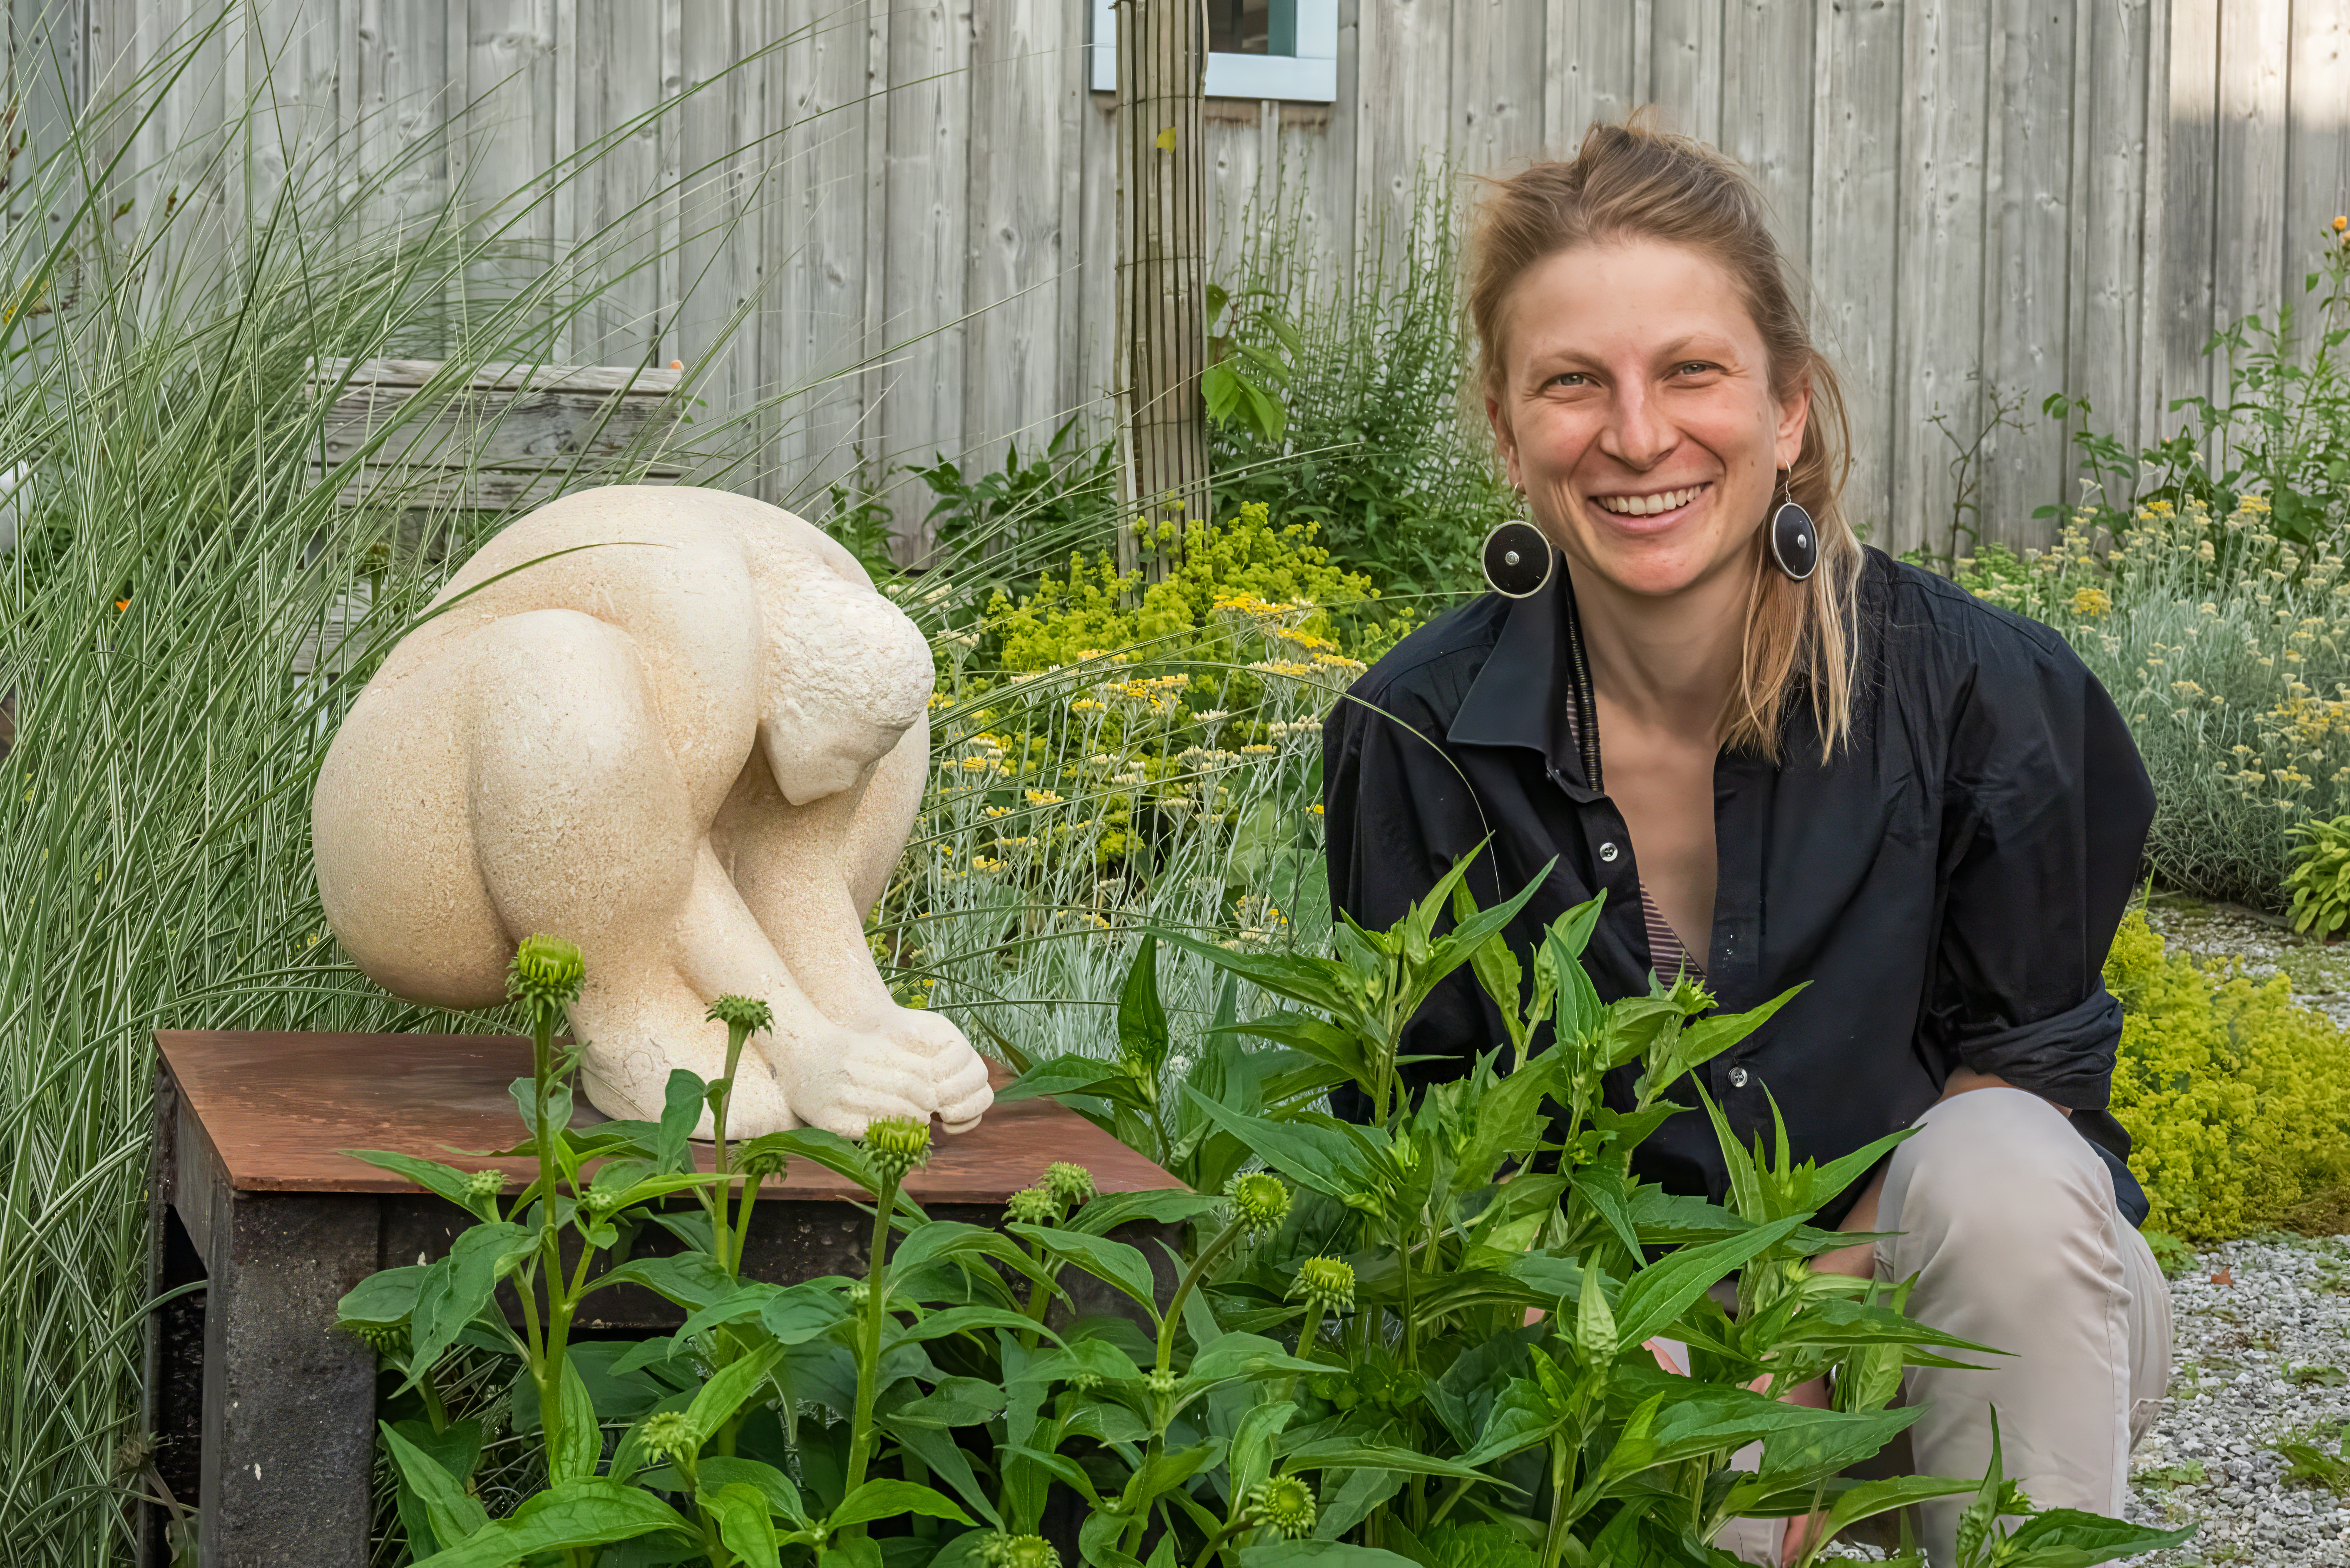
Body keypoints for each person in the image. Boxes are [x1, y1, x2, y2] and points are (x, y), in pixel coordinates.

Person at [1319, 114, 2170, 1567]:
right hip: (1595, 1351)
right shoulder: (1414, 734)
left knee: (2005, 1164)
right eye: (1573, 383)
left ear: (1787, 409)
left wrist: (1782, 1391)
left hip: (1944, 1314)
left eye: (1692, 371)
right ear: (1507, 428)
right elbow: (1433, 1137)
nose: (1638, 435)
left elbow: (2028, 1082)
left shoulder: (1984, 694)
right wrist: (1648, 1393)